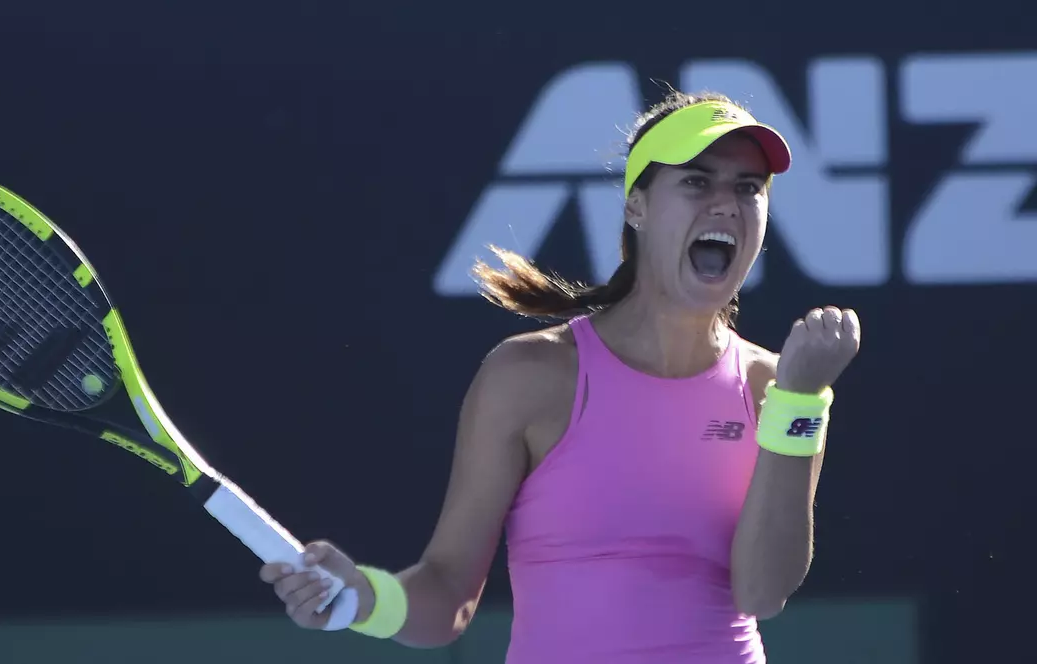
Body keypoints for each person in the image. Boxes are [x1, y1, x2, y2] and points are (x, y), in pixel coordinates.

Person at [258, 89, 862, 663]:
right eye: (697, 181)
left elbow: (763, 592)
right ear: (637, 205)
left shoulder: (782, 390)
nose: (726, 203)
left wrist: (800, 401)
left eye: (748, 188)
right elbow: (446, 598)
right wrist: (365, 598)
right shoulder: (528, 376)